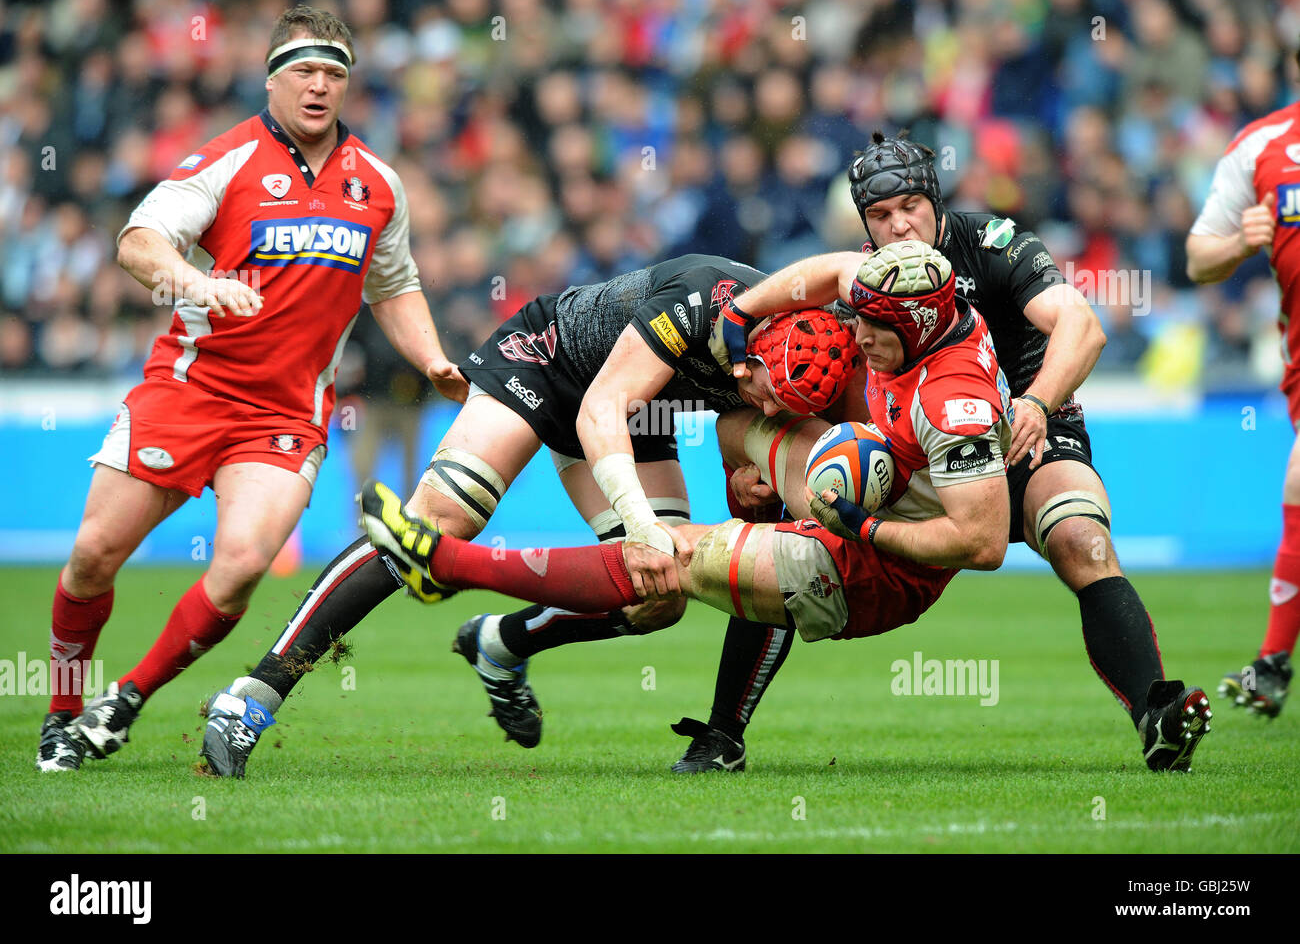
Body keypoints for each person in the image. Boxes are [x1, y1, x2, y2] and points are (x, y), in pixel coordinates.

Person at [456, 133, 1214, 773]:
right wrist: (749, 457)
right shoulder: (866, 280)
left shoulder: (992, 243)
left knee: (1080, 538)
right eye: (880, 215)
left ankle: (1155, 712)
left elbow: (1081, 324)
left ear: (936, 201)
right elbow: (812, 291)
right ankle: (723, 733)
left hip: (1026, 420)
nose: (900, 225)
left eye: (911, 206)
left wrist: (1035, 402)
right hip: (920, 447)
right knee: (789, 522)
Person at [198, 252, 860, 777]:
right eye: (770, 399)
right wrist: (642, 526)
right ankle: (251, 697)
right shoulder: (696, 302)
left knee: (662, 595)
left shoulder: (797, 348)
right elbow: (599, 410)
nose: (772, 413)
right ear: (748, 356)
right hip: (548, 362)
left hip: (641, 402)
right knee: (436, 523)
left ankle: (503, 643)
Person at [36, 5, 464, 772]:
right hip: (189, 388)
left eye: (334, 74)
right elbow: (138, 242)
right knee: (94, 555)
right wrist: (197, 282)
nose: (319, 86)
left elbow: (394, 286)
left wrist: (432, 357)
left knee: (238, 566)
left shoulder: (378, 184)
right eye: (303, 70)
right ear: (271, 78)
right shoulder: (228, 159)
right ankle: (63, 708)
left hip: (285, 413)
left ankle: (125, 698)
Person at [1186, 85, 1300, 717]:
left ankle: (1272, 663)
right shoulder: (1260, 148)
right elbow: (1199, 258)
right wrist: (1240, 243)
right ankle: (1273, 665)